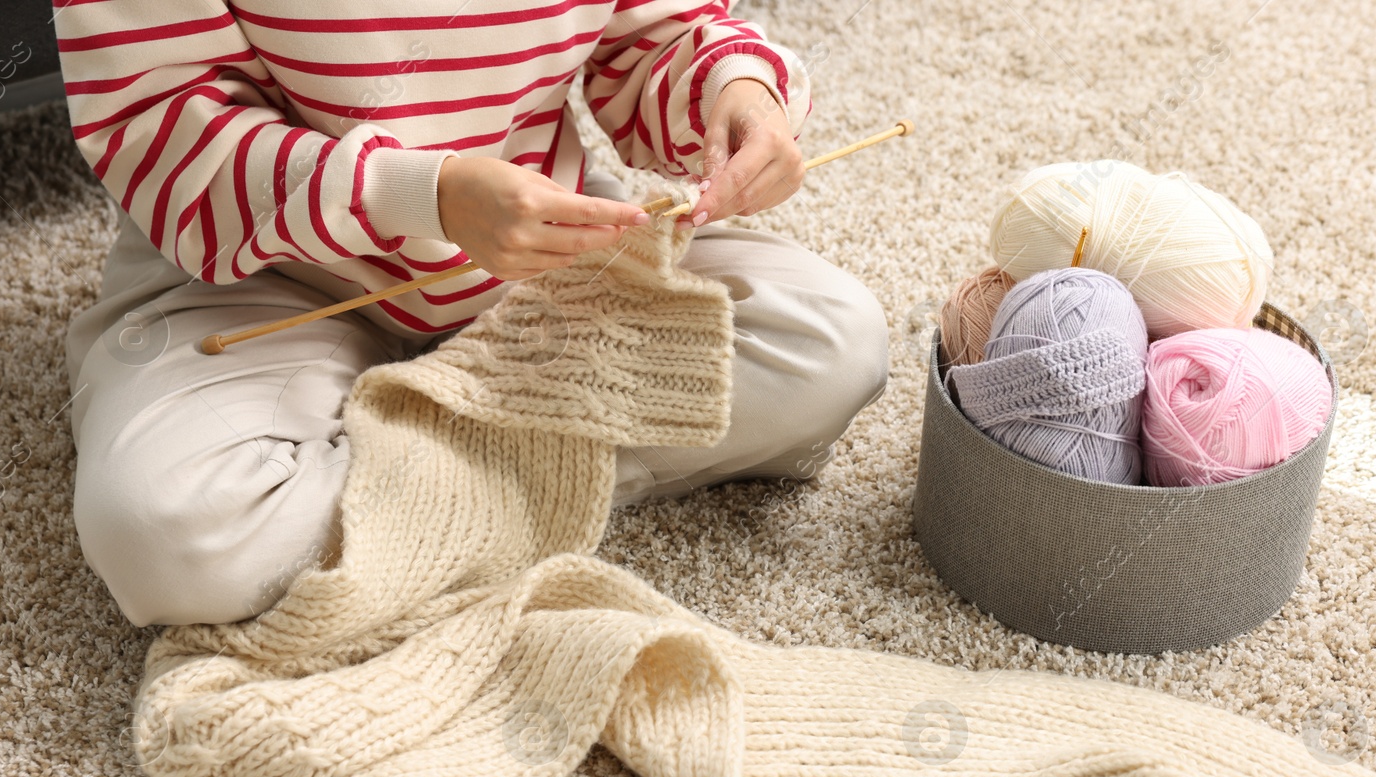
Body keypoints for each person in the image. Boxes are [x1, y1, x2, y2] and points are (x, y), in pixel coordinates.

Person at [54, 0, 889, 627]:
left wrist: (732, 90)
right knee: (163, 536)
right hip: (261, 265)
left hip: (543, 248)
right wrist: (426, 195)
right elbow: (158, 128)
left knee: (834, 342)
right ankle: (532, 468)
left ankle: (399, 494)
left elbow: (651, 33)